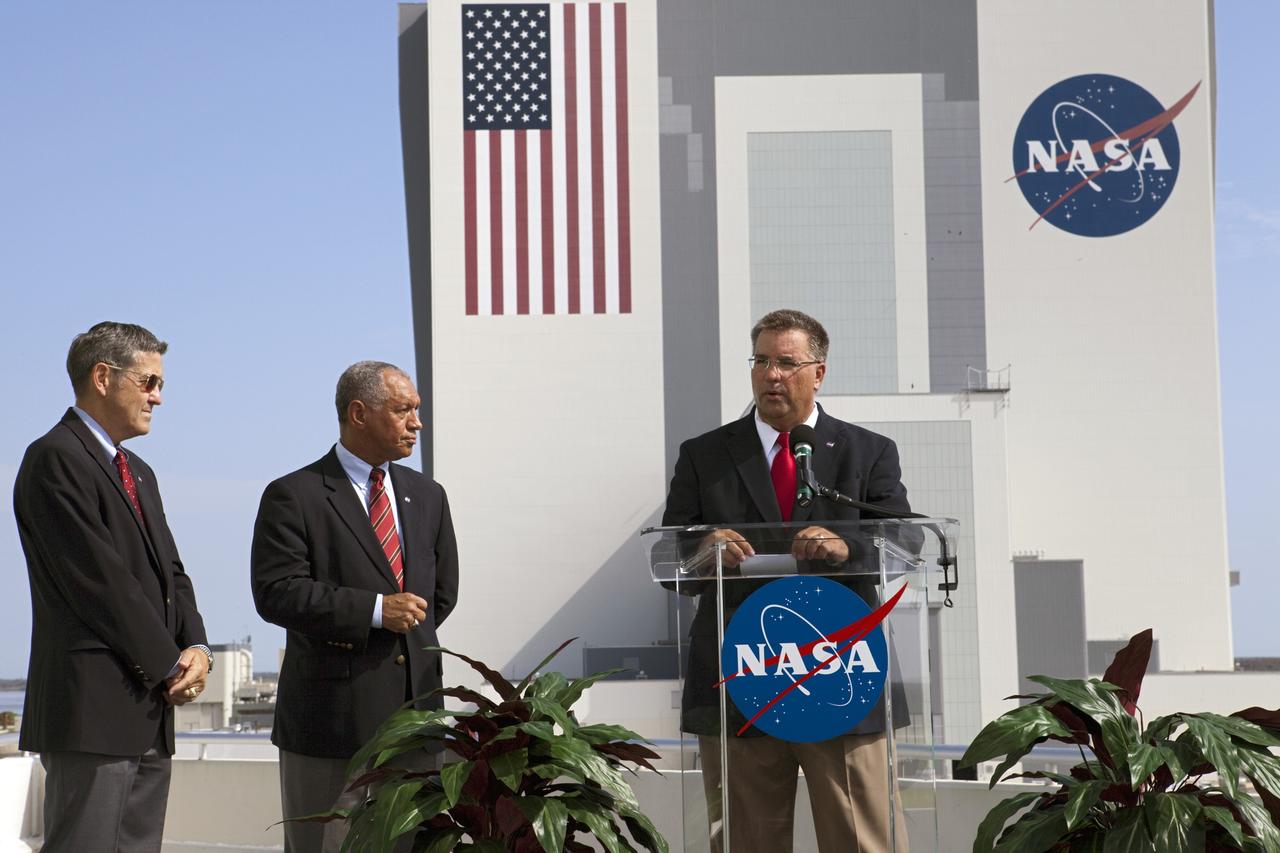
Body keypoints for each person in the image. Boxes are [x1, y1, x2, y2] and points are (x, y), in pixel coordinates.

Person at [663, 309, 911, 853]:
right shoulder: (705, 456)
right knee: (747, 841)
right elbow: (669, 557)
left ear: (818, 373)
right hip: (740, 676)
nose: (772, 375)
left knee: (861, 839)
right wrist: (704, 551)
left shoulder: (867, 452)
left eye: (787, 364)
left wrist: (849, 547)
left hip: (839, 672)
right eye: (762, 362)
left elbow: (905, 543)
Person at [14, 321, 212, 852]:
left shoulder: (139, 471)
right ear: (103, 377)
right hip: (92, 711)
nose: (159, 397)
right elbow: (100, 583)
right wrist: (171, 665)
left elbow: (172, 572)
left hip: (148, 707)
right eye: (148, 382)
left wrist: (197, 647)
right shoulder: (54, 458)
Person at [251, 360, 459, 853]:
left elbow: (441, 595)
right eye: (404, 410)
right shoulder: (293, 495)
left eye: (418, 410)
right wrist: (373, 611)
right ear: (359, 413)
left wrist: (399, 631)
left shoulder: (428, 496)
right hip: (330, 728)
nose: (417, 423)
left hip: (417, 726)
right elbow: (277, 592)